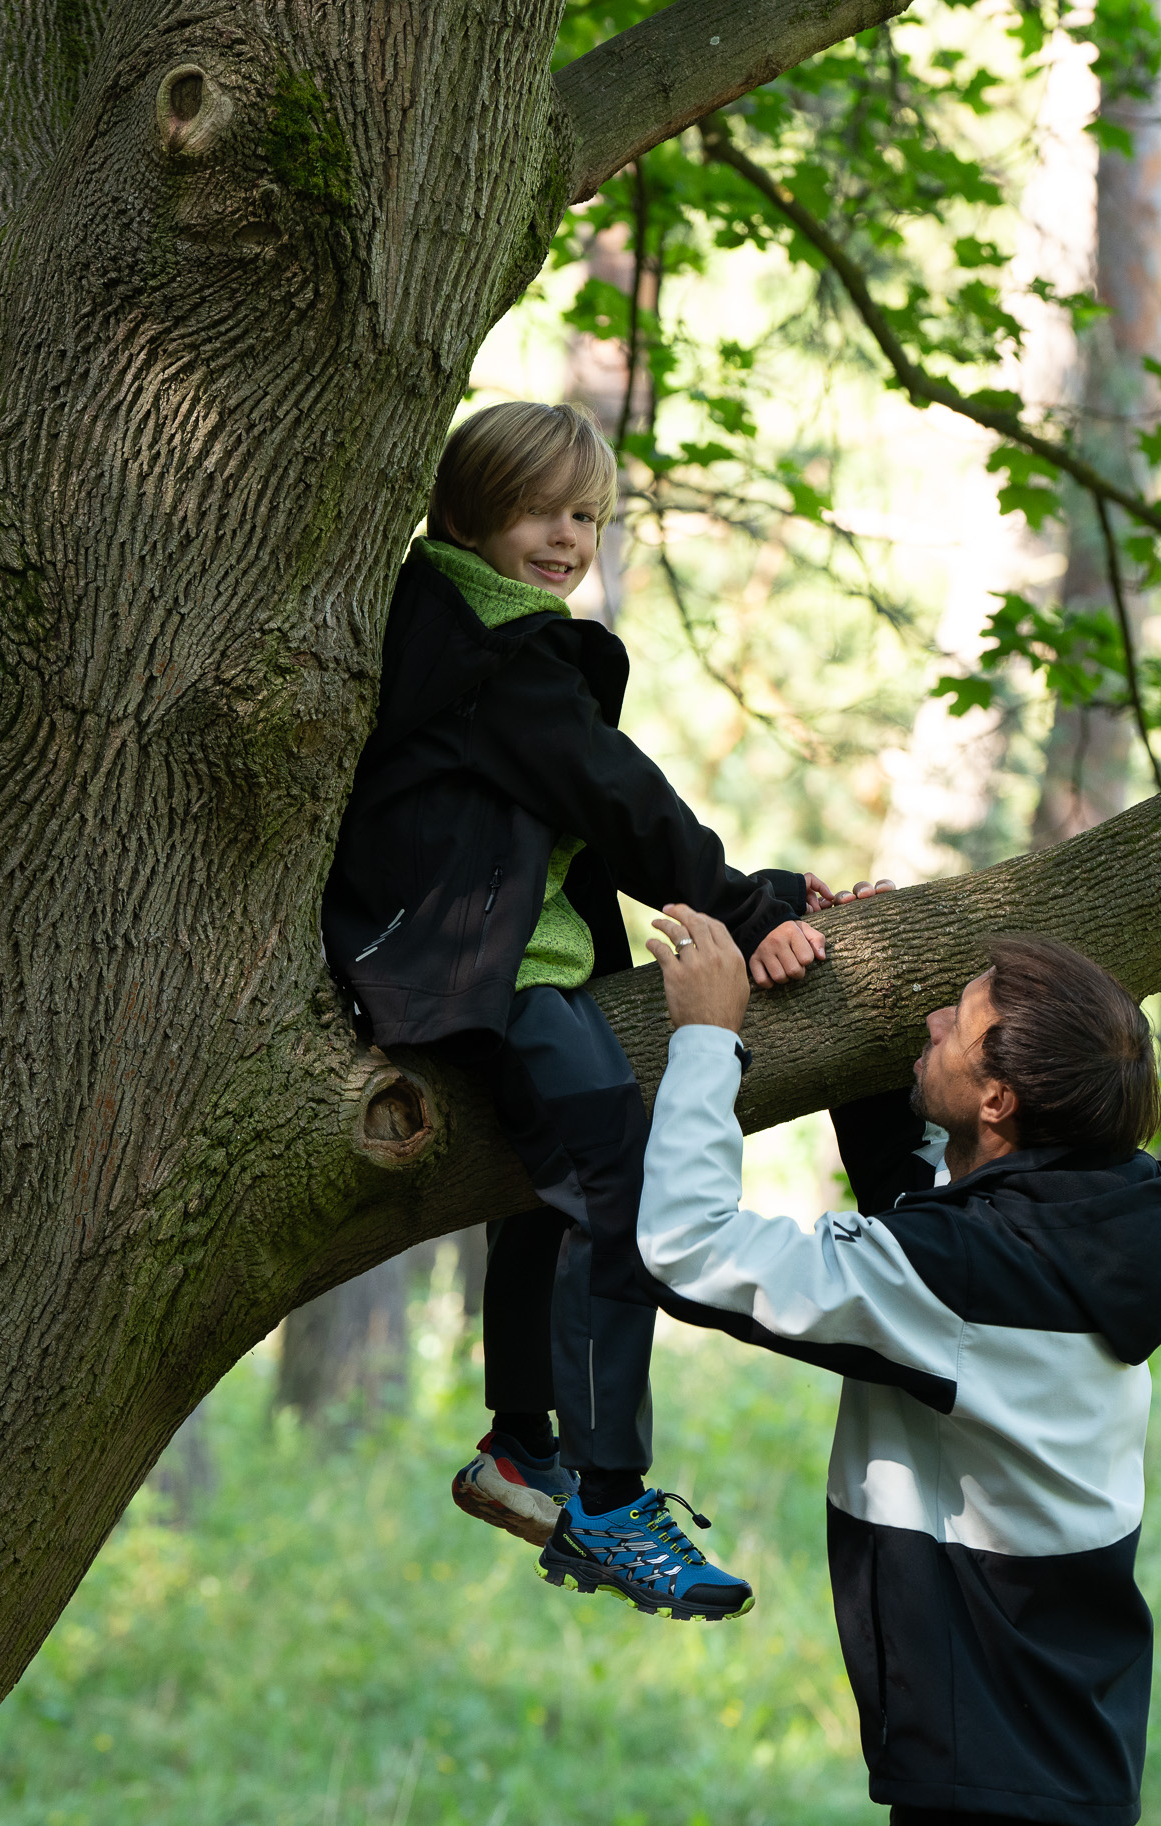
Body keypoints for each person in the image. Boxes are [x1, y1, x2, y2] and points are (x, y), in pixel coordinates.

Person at [322, 401, 848, 1623]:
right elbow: (618, 800)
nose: (568, 539)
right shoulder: (493, 651)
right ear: (471, 508)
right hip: (485, 974)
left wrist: (759, 887)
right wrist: (742, 900)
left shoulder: (446, 623)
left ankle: (519, 1446)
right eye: (542, 510)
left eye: (589, 518)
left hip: (471, 963)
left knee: (541, 1196)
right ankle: (610, 1495)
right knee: (621, 1186)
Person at [632, 904, 1161, 1826]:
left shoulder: (971, 1277)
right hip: (1053, 1746)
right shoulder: (1101, 1221)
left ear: (998, 1102)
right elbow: (925, 1206)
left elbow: (688, 1246)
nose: (934, 1021)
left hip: (996, 1772)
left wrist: (705, 1036)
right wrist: (860, 963)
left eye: (957, 1020)